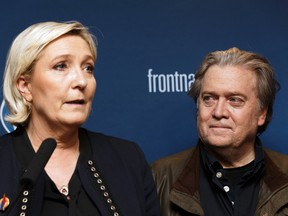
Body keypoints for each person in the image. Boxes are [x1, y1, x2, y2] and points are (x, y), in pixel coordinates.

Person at [0, 21, 161, 216]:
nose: (81, 81)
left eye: (88, 68)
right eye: (61, 66)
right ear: (25, 86)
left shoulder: (128, 159)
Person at [151, 47, 288, 216]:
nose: (218, 112)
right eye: (209, 98)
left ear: (261, 114)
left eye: (235, 100)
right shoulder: (158, 177)